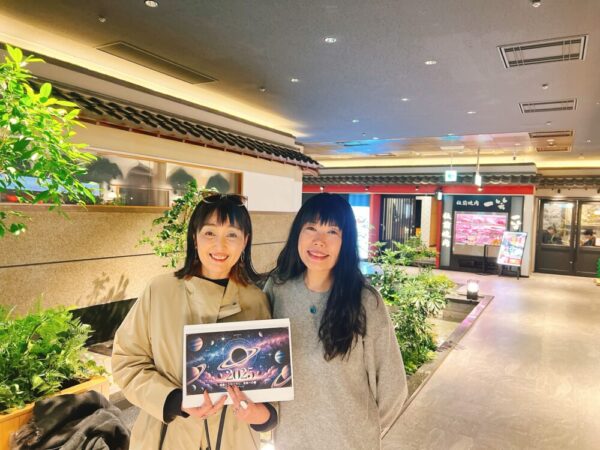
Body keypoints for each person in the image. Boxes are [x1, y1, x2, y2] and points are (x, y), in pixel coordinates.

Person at [112, 194, 277, 450]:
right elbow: (127, 362)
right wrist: (174, 400)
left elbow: (271, 380)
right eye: (210, 233)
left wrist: (262, 415)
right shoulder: (160, 291)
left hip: (235, 439)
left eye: (232, 234)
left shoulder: (256, 301)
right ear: (194, 237)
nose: (220, 245)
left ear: (245, 241)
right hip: (166, 438)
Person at [264, 193, 408, 450]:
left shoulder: (365, 301)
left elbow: (392, 386)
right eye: (311, 228)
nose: (319, 241)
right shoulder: (278, 289)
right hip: (291, 441)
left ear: (346, 241)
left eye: (332, 231)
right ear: (297, 233)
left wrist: (363, 428)